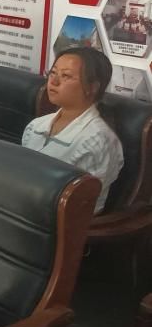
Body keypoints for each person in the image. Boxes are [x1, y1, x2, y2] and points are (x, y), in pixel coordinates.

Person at [23, 46, 123, 212]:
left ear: (92, 87)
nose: (54, 82)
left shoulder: (98, 140)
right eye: (53, 73)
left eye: (66, 76)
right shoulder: (36, 126)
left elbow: (85, 206)